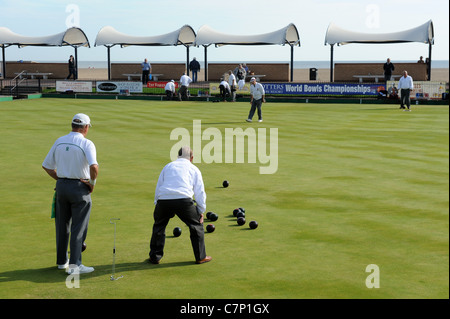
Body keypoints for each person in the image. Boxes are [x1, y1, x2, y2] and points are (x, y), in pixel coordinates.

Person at [42, 113, 99, 274]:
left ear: (72, 125)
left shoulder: (59, 141)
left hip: (61, 187)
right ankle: (75, 265)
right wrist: (92, 184)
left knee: (62, 225)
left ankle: (62, 262)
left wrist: (60, 179)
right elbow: (94, 167)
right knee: (78, 227)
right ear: (86, 127)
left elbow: (46, 166)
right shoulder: (87, 143)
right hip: (79, 187)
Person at [149, 146, 211, 265]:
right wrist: (200, 211)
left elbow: (159, 186)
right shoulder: (194, 169)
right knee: (196, 226)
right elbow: (200, 192)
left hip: (164, 200)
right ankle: (200, 257)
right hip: (183, 200)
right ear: (191, 158)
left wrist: (157, 203)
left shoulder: (167, 167)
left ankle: (155, 257)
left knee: (159, 226)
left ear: (177, 156)